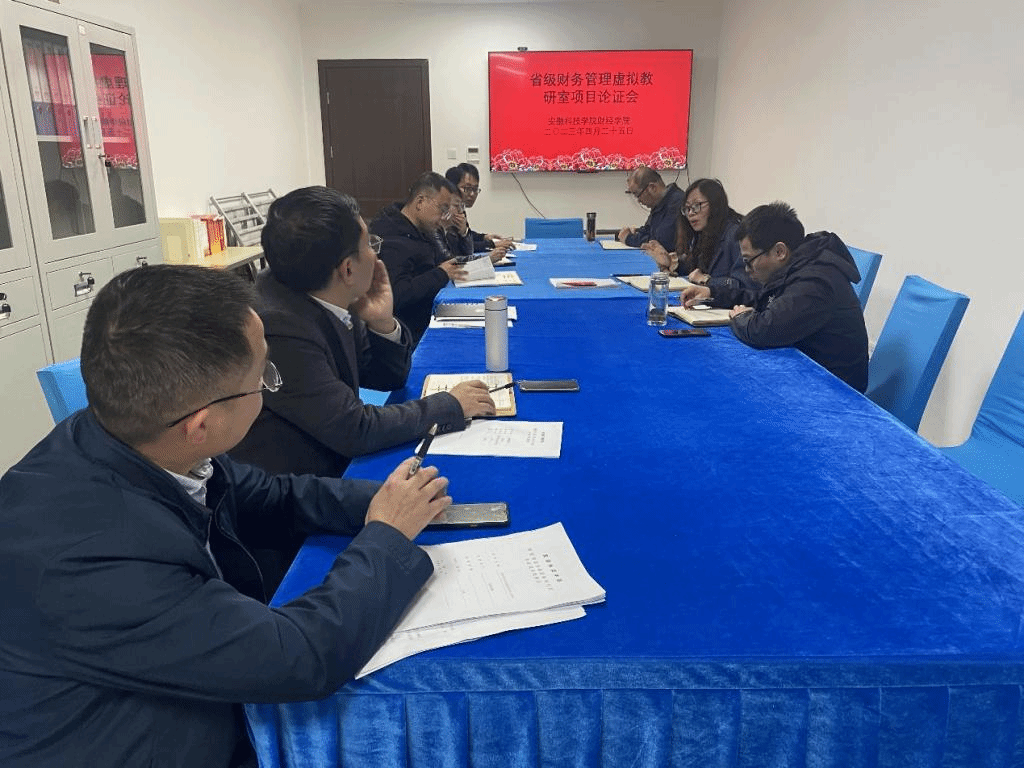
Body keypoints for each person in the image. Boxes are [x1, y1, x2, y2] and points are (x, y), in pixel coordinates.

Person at [0, 264, 450, 768]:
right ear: (201, 424)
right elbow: (299, 658)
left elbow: (273, 495)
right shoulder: (91, 559)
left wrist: (385, 500)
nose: (269, 386)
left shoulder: (126, 434)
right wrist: (386, 536)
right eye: (263, 377)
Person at [229, 186, 495, 484]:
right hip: (301, 484)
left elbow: (386, 378)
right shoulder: (279, 327)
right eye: (369, 244)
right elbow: (354, 429)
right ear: (347, 269)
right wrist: (449, 405)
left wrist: (382, 323)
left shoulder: (321, 288)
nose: (376, 254)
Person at [679, 202, 868, 392]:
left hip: (834, 391)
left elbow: (762, 330)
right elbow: (763, 299)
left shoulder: (815, 280)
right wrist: (712, 293)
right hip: (805, 373)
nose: (747, 270)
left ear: (779, 252)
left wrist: (741, 317)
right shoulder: (799, 265)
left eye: (749, 261)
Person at [370, 172, 467, 343]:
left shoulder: (421, 229)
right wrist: (441, 273)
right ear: (420, 202)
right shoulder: (392, 239)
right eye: (442, 209)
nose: (443, 217)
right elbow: (398, 295)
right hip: (413, 333)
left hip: (432, 313)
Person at [641, 178, 755, 292]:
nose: (690, 213)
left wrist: (706, 280)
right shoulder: (701, 234)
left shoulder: (736, 235)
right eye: (687, 208)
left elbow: (746, 285)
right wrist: (671, 263)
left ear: (715, 204)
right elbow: (694, 272)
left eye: (696, 206)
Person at [445, 162, 512, 252]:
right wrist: (492, 244)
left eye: (475, 189)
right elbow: (458, 247)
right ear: (452, 188)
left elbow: (465, 234)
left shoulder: (460, 208)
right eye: (467, 188)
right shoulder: (447, 213)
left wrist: (484, 237)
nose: (472, 194)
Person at [616, 166, 685, 251]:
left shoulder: (677, 203)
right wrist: (634, 234)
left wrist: (629, 238)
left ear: (652, 187)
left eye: (637, 194)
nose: (638, 200)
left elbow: (660, 241)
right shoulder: (660, 203)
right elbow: (647, 231)